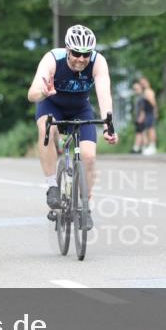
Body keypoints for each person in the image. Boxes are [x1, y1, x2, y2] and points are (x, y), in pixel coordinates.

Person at [27, 24, 118, 229]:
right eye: (76, 53)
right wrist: (43, 92)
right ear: (68, 49)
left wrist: (108, 126)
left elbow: (104, 95)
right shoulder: (52, 59)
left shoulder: (98, 62)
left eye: (86, 54)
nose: (81, 59)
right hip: (52, 105)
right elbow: (31, 94)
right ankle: (52, 186)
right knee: (46, 129)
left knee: (89, 157)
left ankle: (86, 205)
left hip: (80, 110)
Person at [138, 76, 157, 155]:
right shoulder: (145, 92)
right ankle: (150, 146)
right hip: (147, 113)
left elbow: (153, 102)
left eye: (143, 83)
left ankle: (152, 146)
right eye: (141, 83)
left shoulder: (148, 91)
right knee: (148, 130)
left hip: (150, 113)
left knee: (151, 129)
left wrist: (155, 112)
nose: (142, 85)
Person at [131, 80, 146, 154]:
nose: (135, 90)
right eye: (134, 89)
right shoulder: (137, 97)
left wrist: (141, 117)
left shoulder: (142, 97)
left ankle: (139, 147)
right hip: (137, 117)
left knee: (141, 133)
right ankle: (139, 147)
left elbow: (143, 108)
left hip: (141, 118)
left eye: (136, 89)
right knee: (139, 132)